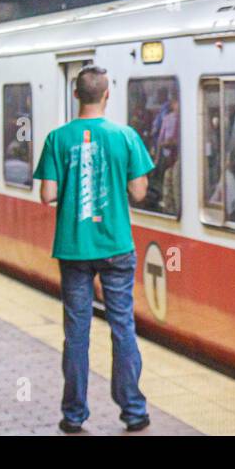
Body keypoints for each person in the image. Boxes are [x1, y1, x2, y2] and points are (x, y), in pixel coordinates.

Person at [34, 65, 156, 434]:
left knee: (77, 333)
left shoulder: (58, 138)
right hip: (116, 246)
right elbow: (138, 192)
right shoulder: (126, 136)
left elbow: (48, 195)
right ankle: (133, 411)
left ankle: (74, 415)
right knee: (122, 328)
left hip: (74, 249)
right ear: (107, 95)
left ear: (76, 95)